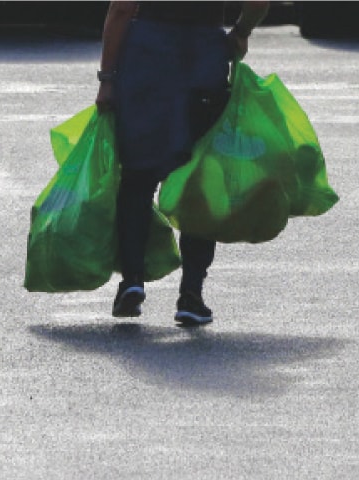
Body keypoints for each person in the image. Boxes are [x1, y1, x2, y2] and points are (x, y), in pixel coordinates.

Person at [95, 1, 270, 325]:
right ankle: (191, 294)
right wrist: (241, 32)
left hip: (148, 56)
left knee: (138, 176)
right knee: (200, 177)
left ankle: (132, 280)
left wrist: (107, 77)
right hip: (204, 55)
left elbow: (121, 9)